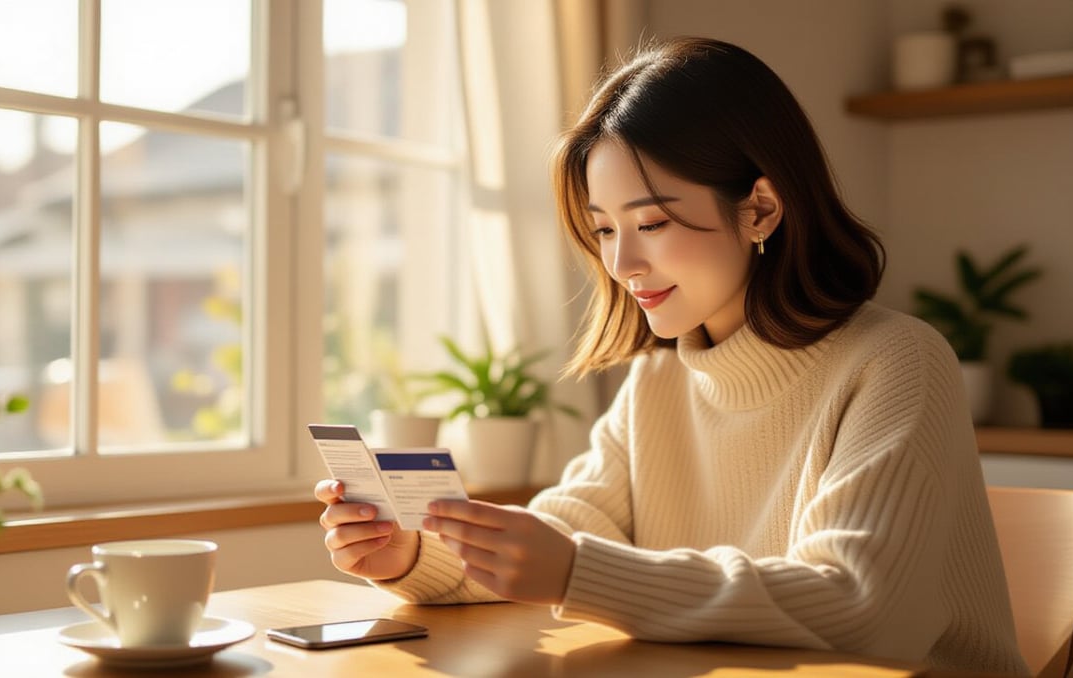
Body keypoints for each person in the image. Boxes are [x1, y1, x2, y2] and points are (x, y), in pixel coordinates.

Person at [315, 37, 1028, 675]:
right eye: (603, 229)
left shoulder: (896, 361)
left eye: (652, 221)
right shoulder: (660, 376)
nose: (623, 262)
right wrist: (412, 556)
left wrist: (577, 573)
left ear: (761, 210)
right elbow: (573, 528)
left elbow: (862, 606)